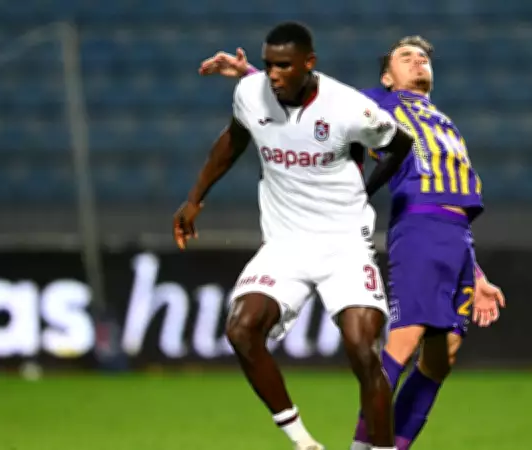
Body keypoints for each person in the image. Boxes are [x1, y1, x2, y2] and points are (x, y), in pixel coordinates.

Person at [198, 34, 506, 450]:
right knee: (403, 342)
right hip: (420, 225)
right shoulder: (380, 104)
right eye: (405, 56)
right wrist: (251, 74)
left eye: (423, 57)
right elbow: (314, 101)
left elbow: (456, 207)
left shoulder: (441, 119)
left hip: (457, 235)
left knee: (442, 357)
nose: (418, 61)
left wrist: (476, 271)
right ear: (386, 77)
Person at [174, 22, 415, 450]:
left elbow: (400, 143)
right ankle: (304, 443)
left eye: (284, 65)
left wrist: (367, 189)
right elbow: (233, 141)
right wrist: (195, 199)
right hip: (285, 245)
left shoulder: (347, 107)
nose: (273, 74)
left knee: (363, 350)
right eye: (268, 65)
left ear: (309, 64)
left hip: (344, 245)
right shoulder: (251, 94)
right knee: (241, 329)